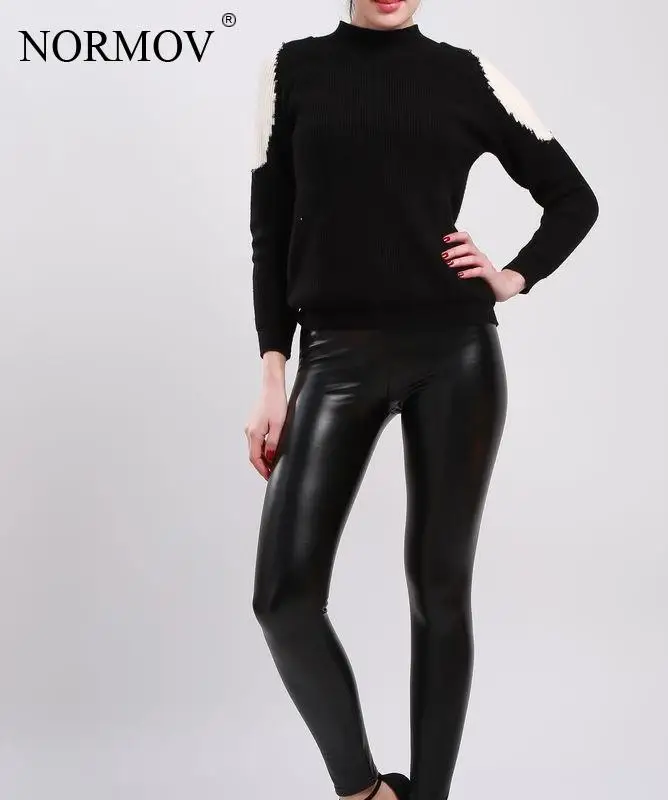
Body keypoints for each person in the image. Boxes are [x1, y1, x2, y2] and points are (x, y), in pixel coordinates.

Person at [243, 1, 599, 799]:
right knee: (283, 600)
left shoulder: (468, 76)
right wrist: (273, 374)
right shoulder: (291, 69)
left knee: (438, 590)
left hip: (455, 356)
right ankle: (364, 792)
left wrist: (512, 276)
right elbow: (270, 233)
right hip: (333, 356)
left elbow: (574, 199)